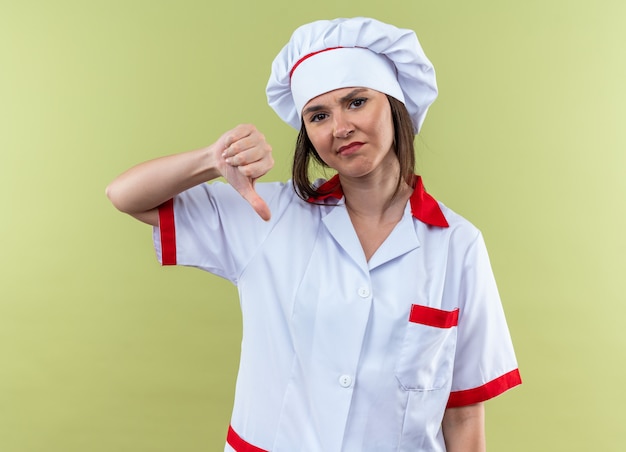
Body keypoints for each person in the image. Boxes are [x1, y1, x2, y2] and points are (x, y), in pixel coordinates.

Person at [107, 17, 521, 452]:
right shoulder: (267, 216)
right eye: (318, 115)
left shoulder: (457, 244)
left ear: (396, 106)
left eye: (357, 102)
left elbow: (463, 412)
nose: (339, 127)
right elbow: (124, 195)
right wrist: (213, 160)